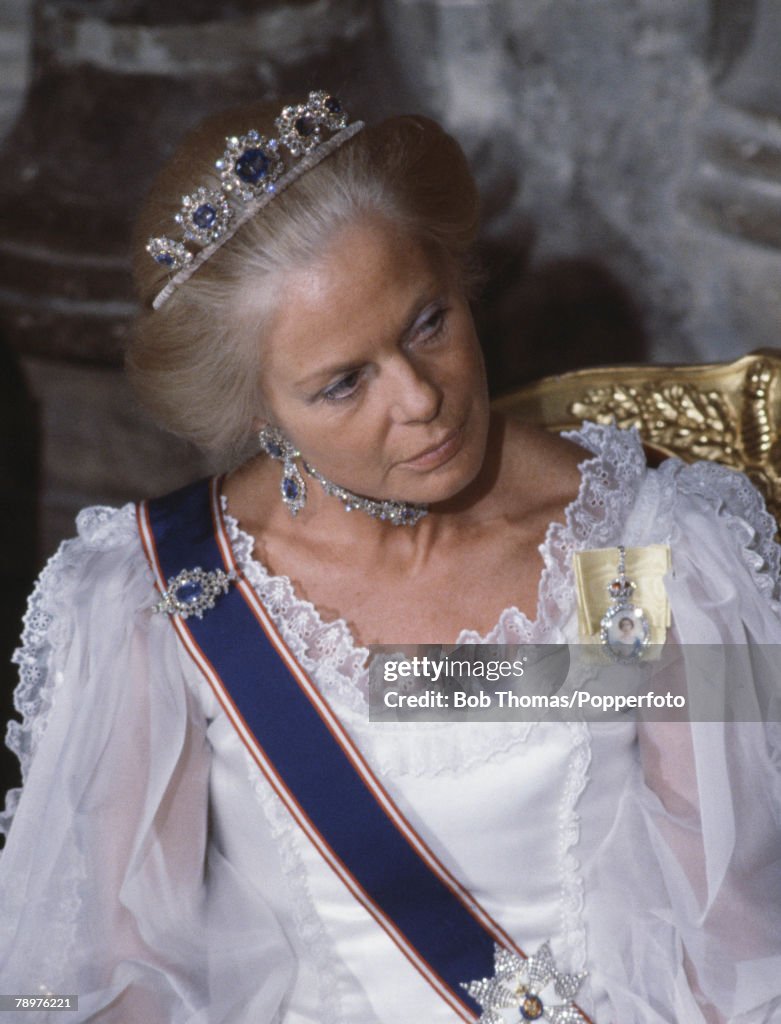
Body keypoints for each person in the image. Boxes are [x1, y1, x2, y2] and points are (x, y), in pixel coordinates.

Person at [1, 91, 780, 1024]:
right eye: (342, 383)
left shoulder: (634, 548)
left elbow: (733, 928)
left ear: (459, 272)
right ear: (258, 413)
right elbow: (110, 970)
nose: (419, 399)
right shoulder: (159, 596)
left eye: (428, 323)